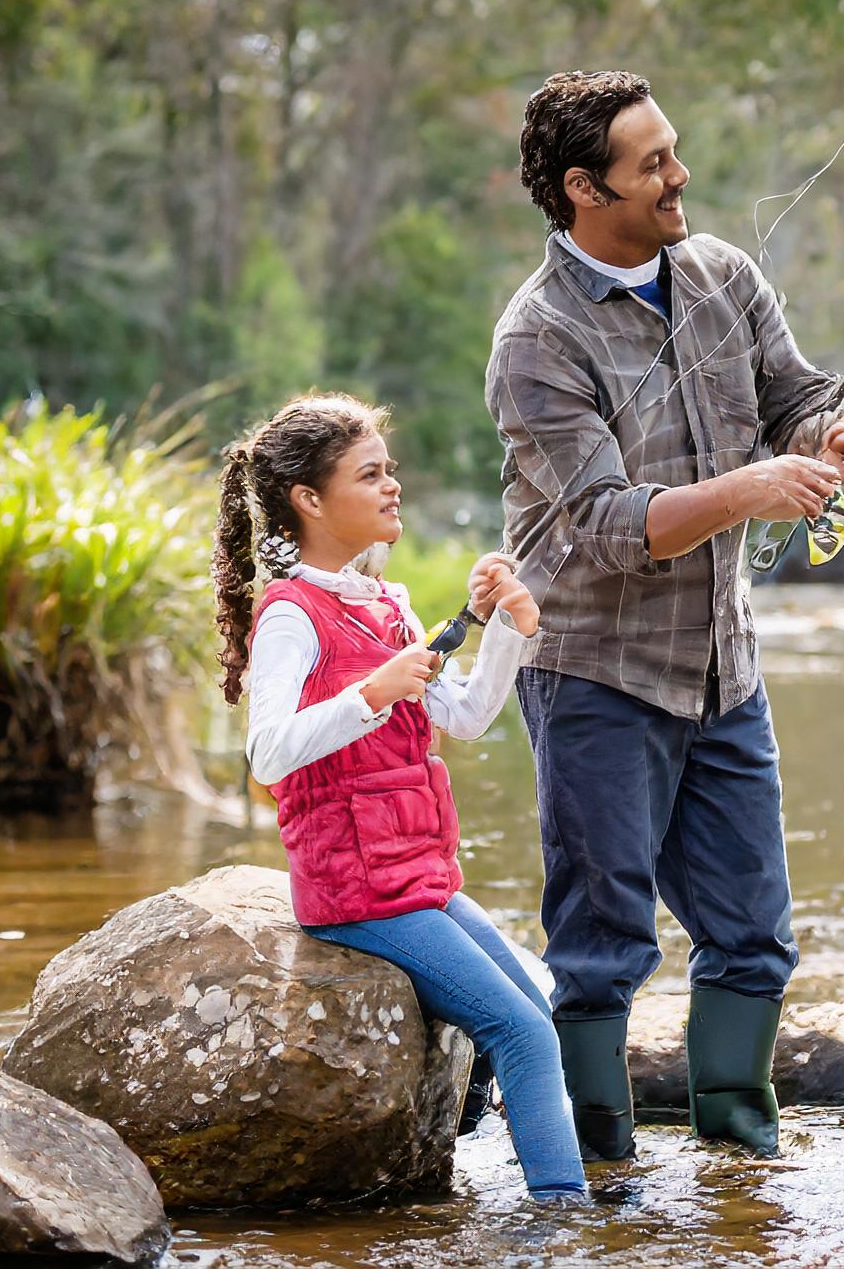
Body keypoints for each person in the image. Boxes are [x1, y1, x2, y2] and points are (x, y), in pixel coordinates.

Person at [486, 70, 844, 1161]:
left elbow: (796, 402)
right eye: (653, 164)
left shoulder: (724, 273)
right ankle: (598, 1175)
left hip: (723, 667)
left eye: (674, 150)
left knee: (755, 940)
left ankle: (742, 1156)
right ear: (584, 189)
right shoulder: (536, 339)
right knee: (603, 946)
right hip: (593, 674)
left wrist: (835, 441)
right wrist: (755, 488)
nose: (681, 177)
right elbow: (609, 526)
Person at [211, 392, 587, 1205]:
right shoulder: (289, 616)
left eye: (392, 471)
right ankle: (562, 1217)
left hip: (418, 877)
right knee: (520, 1032)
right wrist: (372, 692)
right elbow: (268, 754)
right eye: (370, 474)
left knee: (539, 1001)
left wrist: (506, 628)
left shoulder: (390, 604)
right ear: (308, 500)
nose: (393, 488)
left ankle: (469, 1148)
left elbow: (467, 717)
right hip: (355, 889)